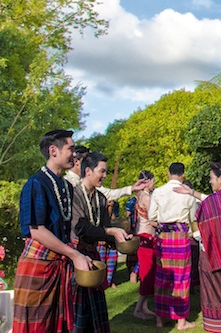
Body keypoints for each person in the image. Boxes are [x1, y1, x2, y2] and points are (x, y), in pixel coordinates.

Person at [15, 129, 94, 333]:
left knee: (59, 326)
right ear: (53, 150)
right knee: (35, 326)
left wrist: (79, 253)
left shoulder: (66, 186)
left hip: (59, 263)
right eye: (70, 149)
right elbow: (37, 231)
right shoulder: (36, 183)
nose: (74, 154)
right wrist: (74, 254)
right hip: (39, 264)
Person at [71, 152, 133, 333]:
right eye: (102, 171)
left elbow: (104, 229)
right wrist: (110, 231)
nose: (105, 176)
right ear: (88, 171)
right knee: (78, 314)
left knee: (95, 316)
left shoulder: (101, 198)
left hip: (93, 256)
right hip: (76, 257)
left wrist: (119, 239)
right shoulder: (75, 194)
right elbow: (80, 228)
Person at [149, 162, 199, 330]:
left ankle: (160, 319)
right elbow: (192, 218)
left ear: (168, 172)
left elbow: (152, 216)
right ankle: (181, 322)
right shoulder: (187, 194)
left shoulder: (158, 191)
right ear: (183, 175)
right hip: (180, 237)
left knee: (162, 277)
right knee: (181, 278)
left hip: (163, 238)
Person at [197, 163, 221, 333]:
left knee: (214, 297)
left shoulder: (209, 203)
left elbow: (202, 232)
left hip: (212, 258)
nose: (211, 181)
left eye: (212, 178)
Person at [133, 171, 157, 320]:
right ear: (148, 181)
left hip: (143, 236)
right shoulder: (146, 197)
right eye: (153, 181)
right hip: (146, 236)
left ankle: (144, 306)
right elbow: (152, 218)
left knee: (148, 272)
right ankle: (138, 309)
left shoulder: (140, 195)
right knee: (147, 273)